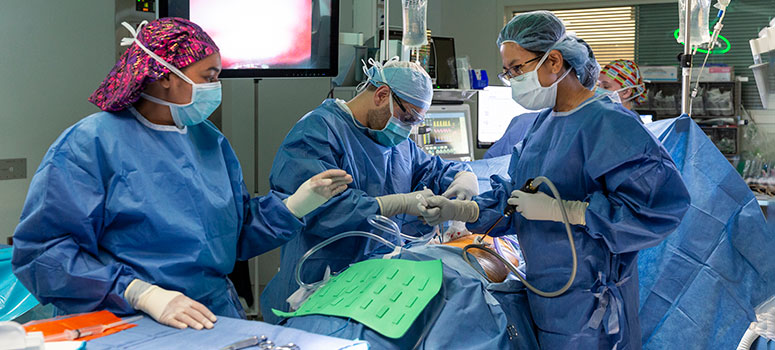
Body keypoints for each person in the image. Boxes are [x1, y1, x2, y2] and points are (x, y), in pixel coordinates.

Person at [11, 18, 352, 331]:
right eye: (208, 77)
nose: (216, 87)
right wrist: (139, 292)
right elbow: (44, 254)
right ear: (164, 76)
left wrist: (294, 205)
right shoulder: (91, 144)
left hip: (210, 315)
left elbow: (231, 235)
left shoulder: (209, 141)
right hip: (122, 318)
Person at [416, 11, 690, 349]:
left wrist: (571, 211)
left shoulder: (610, 125)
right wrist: (461, 210)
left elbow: (658, 209)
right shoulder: (540, 125)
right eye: (509, 72)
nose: (513, 79)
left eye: (517, 68)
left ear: (555, 61)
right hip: (546, 297)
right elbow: (517, 200)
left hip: (594, 309)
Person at [260, 58, 479, 323]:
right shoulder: (316, 133)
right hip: (319, 287)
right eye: (407, 117)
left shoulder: (397, 143)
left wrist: (463, 179)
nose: (407, 128)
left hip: (373, 288)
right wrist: (395, 204)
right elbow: (319, 210)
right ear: (382, 95)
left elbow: (433, 170)